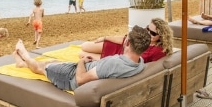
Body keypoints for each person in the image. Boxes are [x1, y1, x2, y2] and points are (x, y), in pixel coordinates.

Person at [12, 26, 150, 92]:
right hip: (88, 70)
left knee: (41, 67)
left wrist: (81, 62)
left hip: (70, 77)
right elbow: (105, 70)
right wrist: (92, 63)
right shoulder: (139, 63)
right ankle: (22, 64)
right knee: (54, 62)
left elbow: (80, 80)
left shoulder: (114, 64)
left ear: (127, 43)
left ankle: (24, 55)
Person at [80, 17, 173, 63]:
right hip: (120, 47)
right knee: (84, 46)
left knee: (81, 54)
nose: (148, 33)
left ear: (162, 36)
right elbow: (125, 39)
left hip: (119, 58)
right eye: (147, 28)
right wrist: (105, 38)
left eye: (152, 33)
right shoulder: (145, 37)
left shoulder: (158, 51)